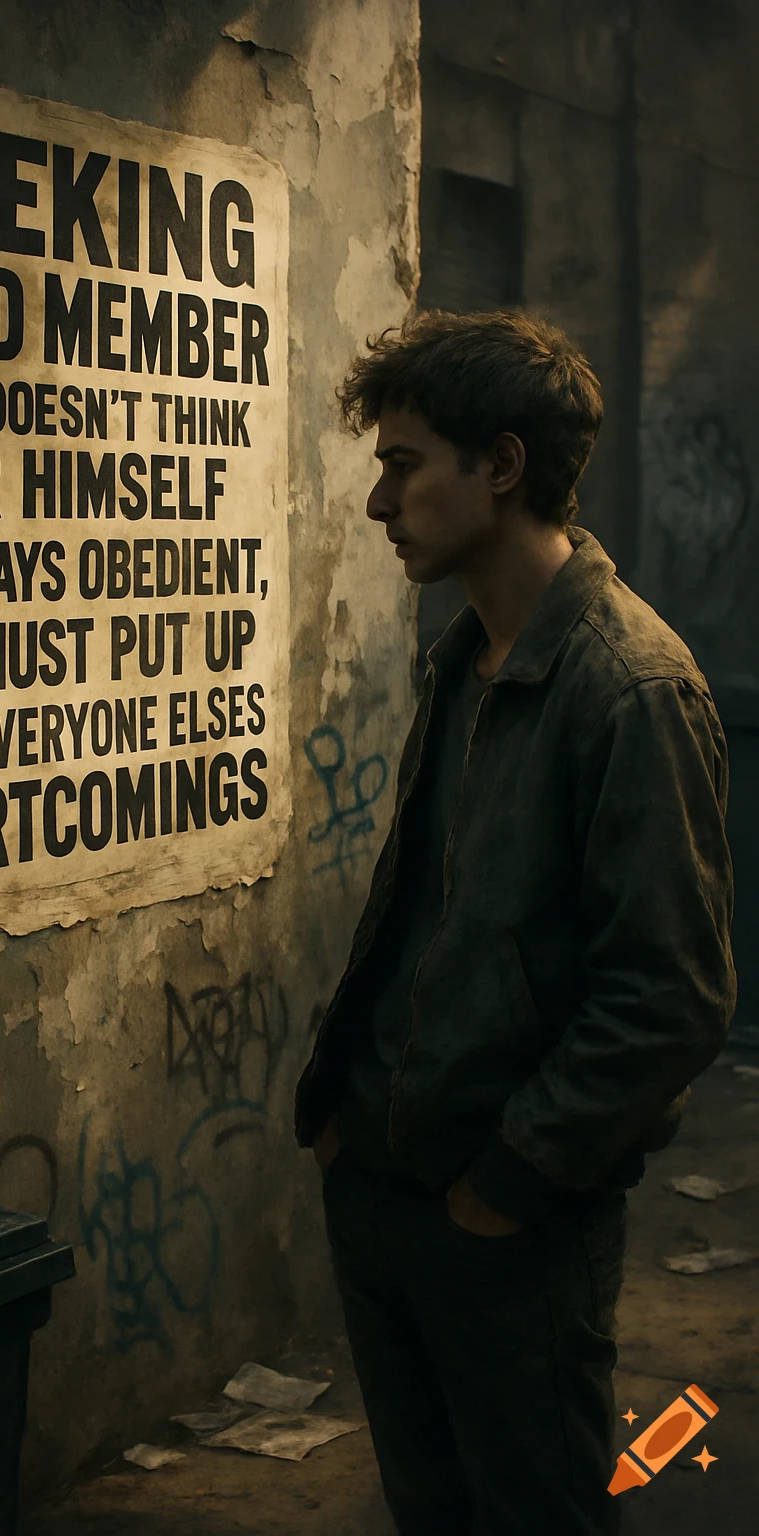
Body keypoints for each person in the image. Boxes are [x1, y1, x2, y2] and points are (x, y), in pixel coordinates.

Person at [294, 309, 736, 1535]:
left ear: (500, 465)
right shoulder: (465, 658)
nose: (379, 503)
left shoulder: (632, 689)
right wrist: (339, 1119)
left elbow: (670, 996)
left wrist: (510, 1179)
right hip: (382, 1188)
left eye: (403, 465)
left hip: (506, 1222)